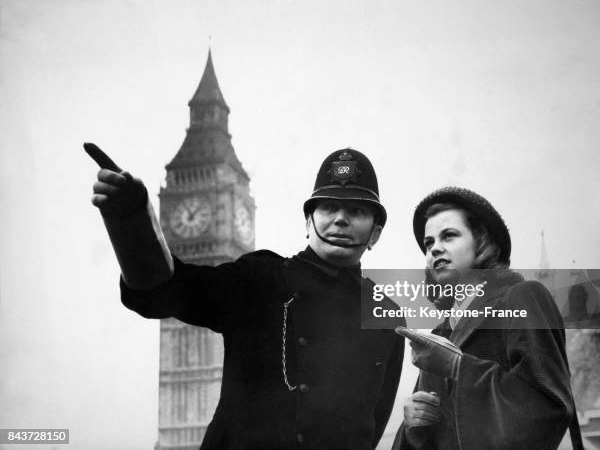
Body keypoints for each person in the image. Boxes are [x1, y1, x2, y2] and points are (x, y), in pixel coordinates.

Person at [86, 144, 404, 450]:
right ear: (308, 221)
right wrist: (132, 222)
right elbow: (163, 292)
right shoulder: (259, 277)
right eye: (330, 207)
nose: (340, 219)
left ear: (375, 233)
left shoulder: (386, 314)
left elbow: (373, 425)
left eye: (356, 210)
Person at [392, 187, 579, 450]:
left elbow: (550, 408)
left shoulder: (522, 297)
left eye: (449, 236)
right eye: (429, 242)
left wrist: (459, 367)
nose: (435, 249)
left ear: (482, 241)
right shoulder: (440, 333)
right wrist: (413, 426)